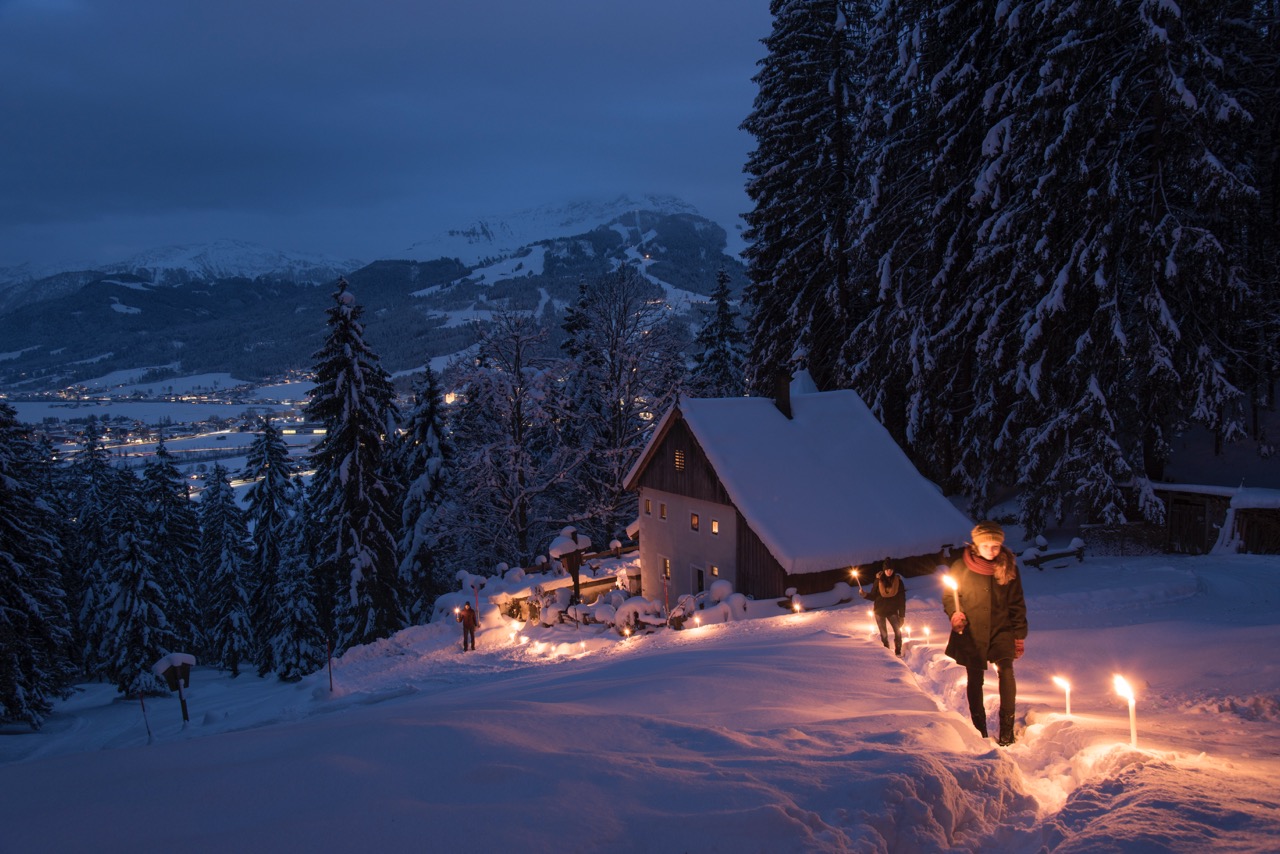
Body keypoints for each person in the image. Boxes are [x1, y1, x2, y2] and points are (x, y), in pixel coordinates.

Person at [942, 521, 1028, 745]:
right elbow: (951, 597)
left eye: (995, 546)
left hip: (1002, 630)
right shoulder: (961, 567)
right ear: (976, 546)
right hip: (972, 631)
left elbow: (1017, 603)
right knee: (975, 677)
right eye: (986, 546)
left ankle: (1007, 730)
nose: (991, 550)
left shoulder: (1008, 568)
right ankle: (979, 728)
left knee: (1006, 671)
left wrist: (1019, 635)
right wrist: (955, 614)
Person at [861, 561, 907, 655]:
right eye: (887, 570)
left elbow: (902, 600)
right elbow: (873, 596)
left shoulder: (898, 582)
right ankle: (887, 653)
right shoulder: (878, 581)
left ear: (893, 570)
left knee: (898, 631)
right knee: (884, 634)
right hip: (879, 611)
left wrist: (901, 616)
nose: (889, 572)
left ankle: (898, 651)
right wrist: (865, 595)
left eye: (891, 570)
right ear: (884, 570)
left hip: (892, 610)